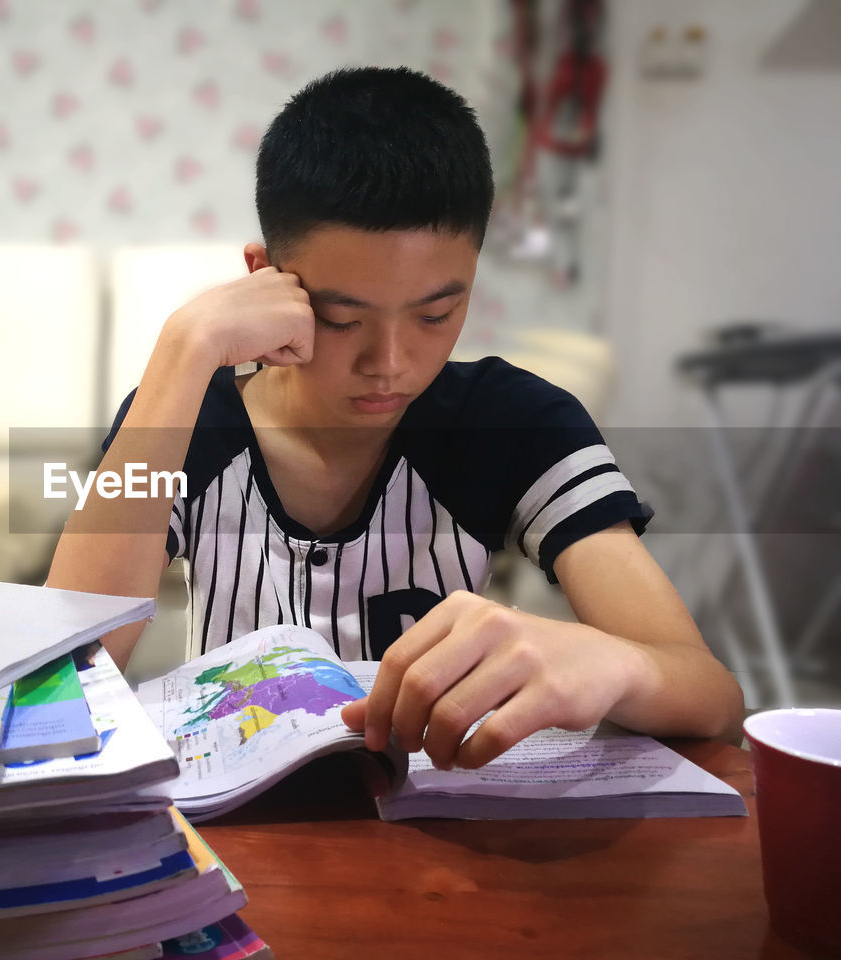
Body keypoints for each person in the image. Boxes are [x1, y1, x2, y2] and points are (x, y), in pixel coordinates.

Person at [46, 66, 744, 770]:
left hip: (444, 846)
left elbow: (712, 699)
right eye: (343, 318)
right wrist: (186, 346)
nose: (390, 363)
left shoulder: (517, 423)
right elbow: (64, 677)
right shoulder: (185, 421)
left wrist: (612, 664)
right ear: (266, 280)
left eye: (437, 315)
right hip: (244, 836)